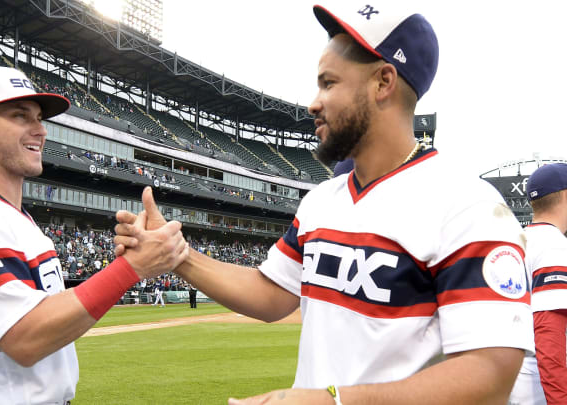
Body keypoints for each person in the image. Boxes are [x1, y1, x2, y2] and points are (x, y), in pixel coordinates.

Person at [115, 4, 532, 404]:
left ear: (384, 83)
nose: (313, 102)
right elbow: (271, 294)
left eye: (328, 83)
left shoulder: (468, 207)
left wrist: (333, 401)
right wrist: (177, 256)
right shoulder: (322, 200)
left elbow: (489, 376)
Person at [0, 66, 189, 404]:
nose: (40, 130)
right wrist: (132, 267)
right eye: (20, 116)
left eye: (40, 118)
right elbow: (24, 337)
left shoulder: (14, 217)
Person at [510, 164, 567, 404]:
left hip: (516, 379)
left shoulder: (517, 239)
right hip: (542, 387)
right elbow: (549, 334)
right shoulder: (552, 246)